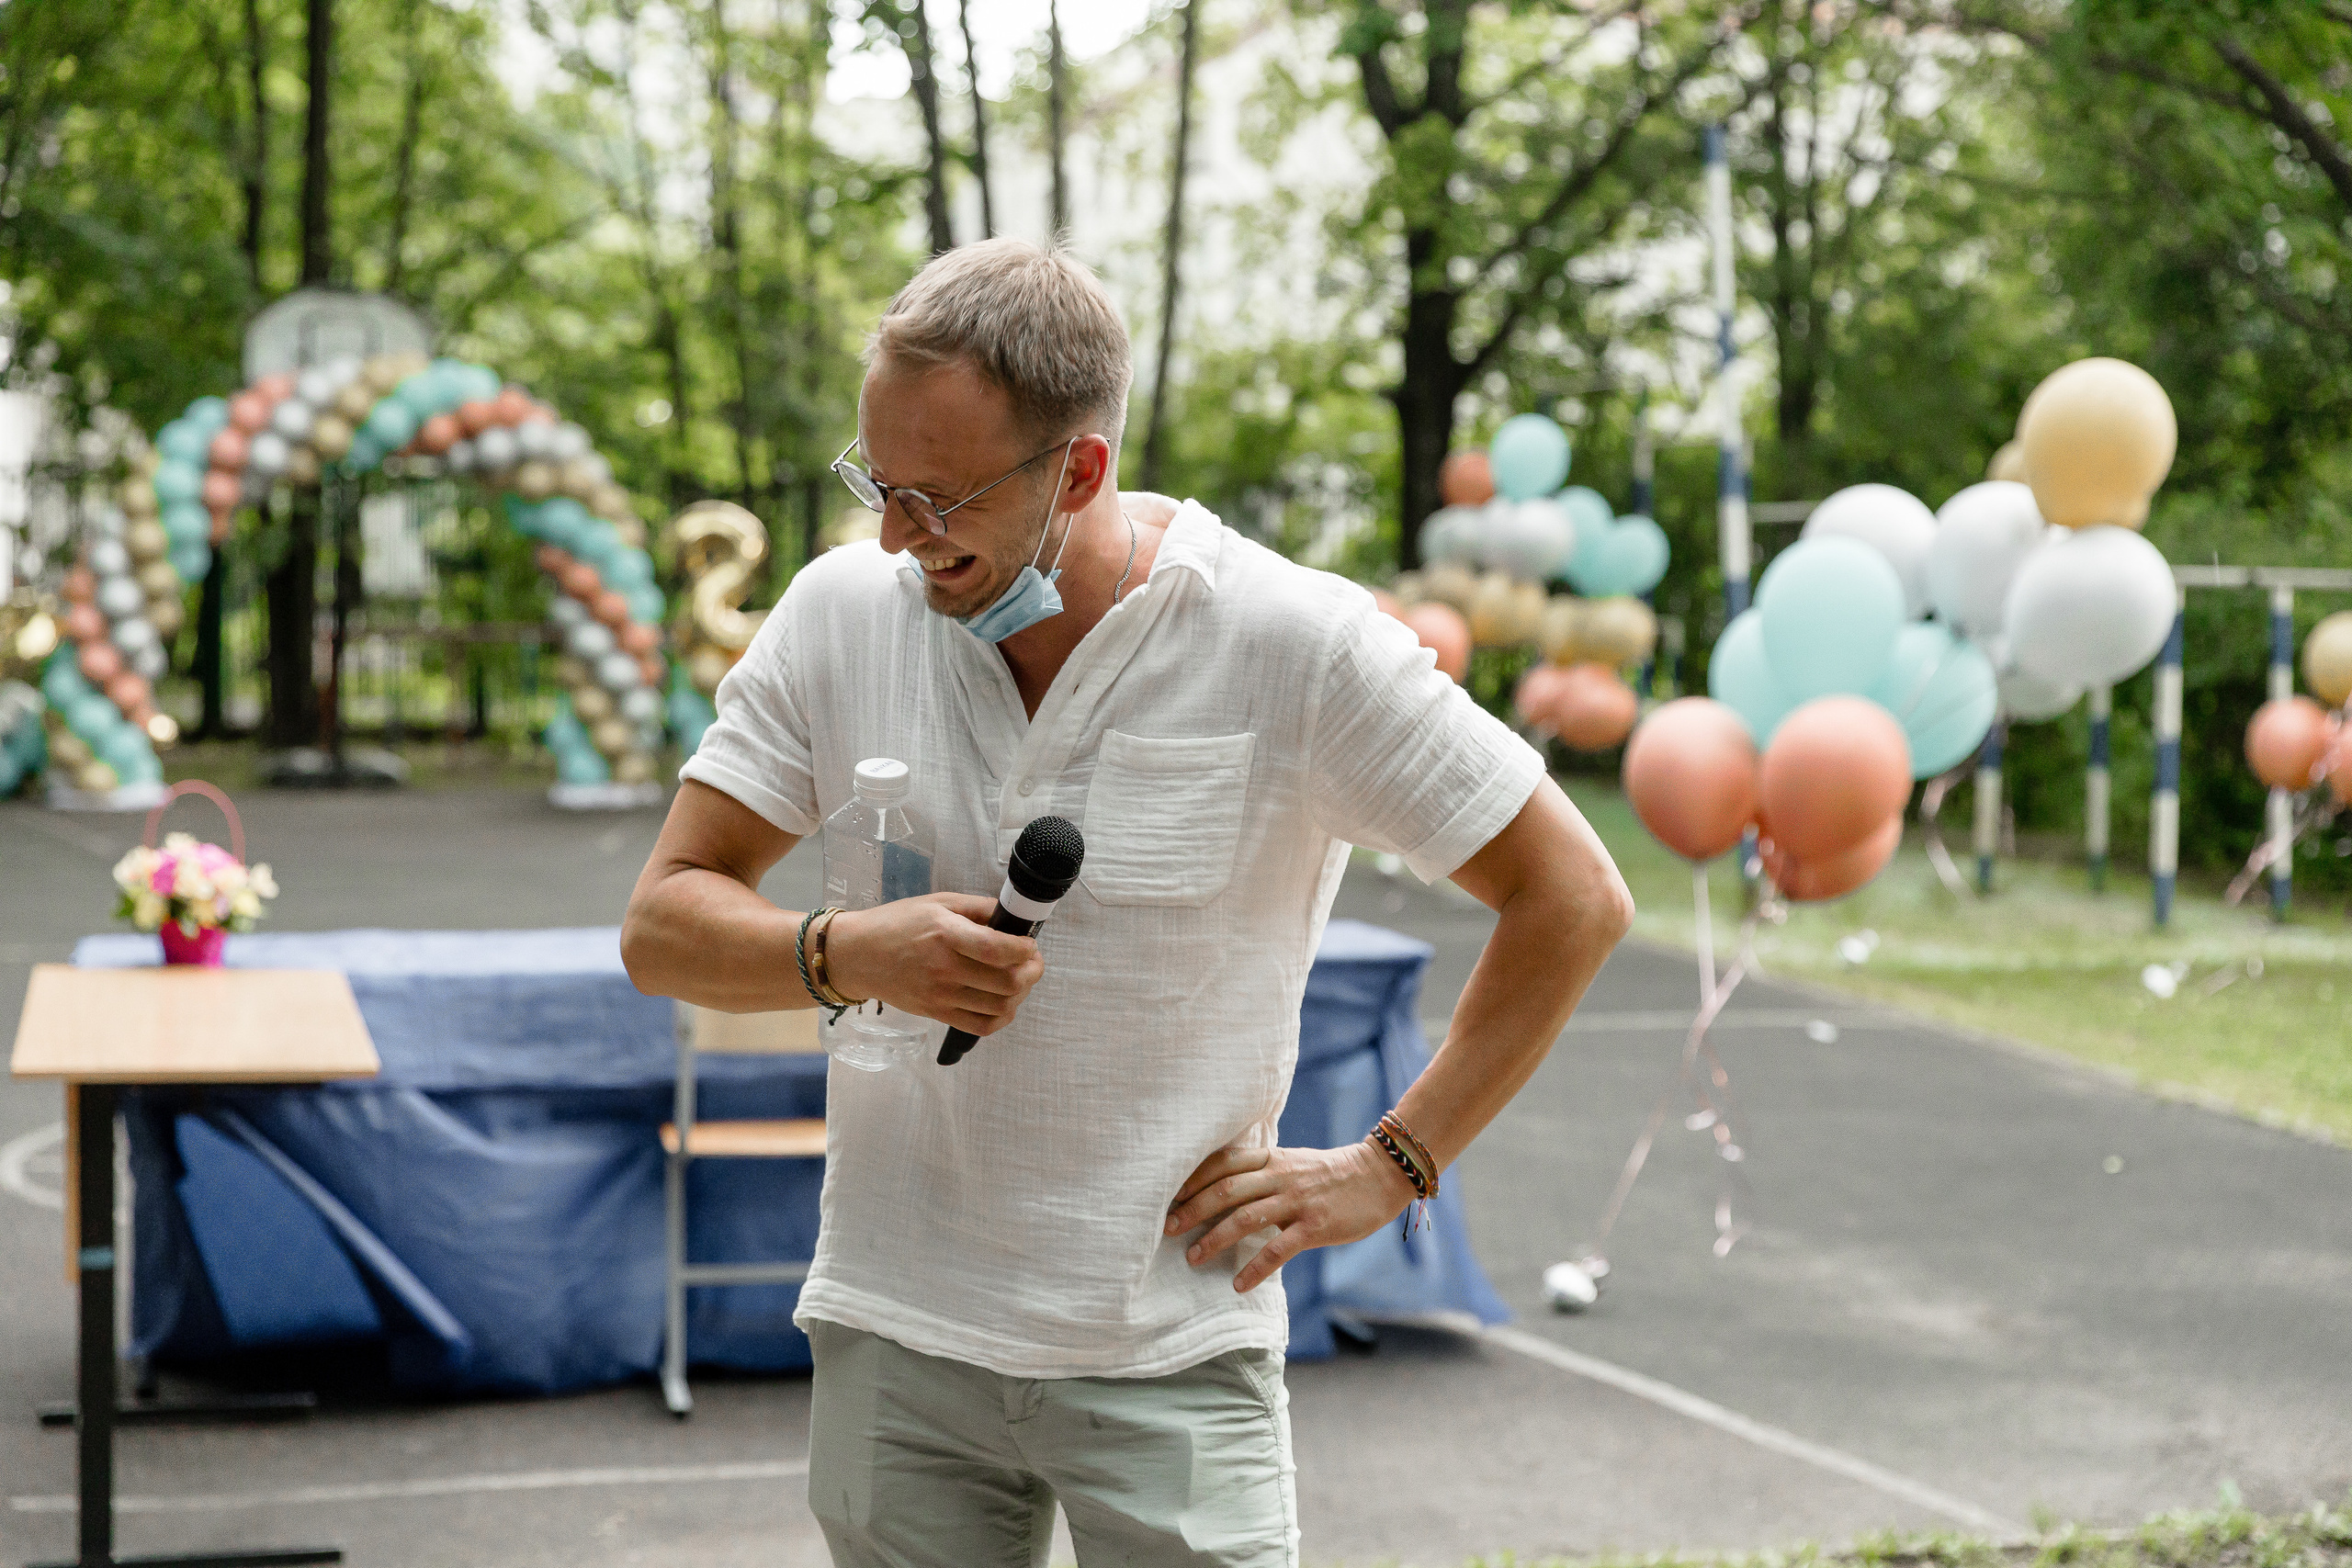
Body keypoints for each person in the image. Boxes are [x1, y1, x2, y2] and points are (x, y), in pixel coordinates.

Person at [621, 238, 1634, 1568]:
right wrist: (848, 950)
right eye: (876, 482)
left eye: (938, 500)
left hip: (1169, 1346)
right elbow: (662, 926)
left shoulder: (1293, 641)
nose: (894, 538)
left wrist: (1389, 1168)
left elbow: (1573, 896)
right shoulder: (841, 612)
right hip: (895, 1326)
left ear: (1080, 471)